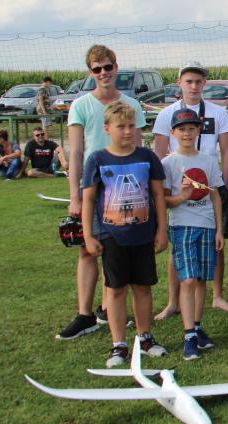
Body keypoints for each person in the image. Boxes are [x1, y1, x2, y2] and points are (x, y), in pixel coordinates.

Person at [59, 44, 148, 341]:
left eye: (108, 67)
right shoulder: (81, 105)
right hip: (94, 186)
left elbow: (138, 150)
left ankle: (109, 308)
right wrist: (75, 195)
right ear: (90, 73)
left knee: (119, 249)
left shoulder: (131, 105)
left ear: (116, 67)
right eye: (97, 69)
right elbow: (76, 153)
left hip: (124, 187)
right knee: (88, 248)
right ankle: (85, 315)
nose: (104, 73)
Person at [80, 100, 168, 367]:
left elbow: (157, 195)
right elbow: (88, 200)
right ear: (107, 128)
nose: (128, 131)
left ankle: (145, 338)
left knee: (143, 288)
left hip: (142, 235)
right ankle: (118, 345)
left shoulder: (147, 157)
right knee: (115, 290)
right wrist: (88, 235)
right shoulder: (97, 159)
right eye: (121, 127)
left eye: (131, 126)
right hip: (112, 236)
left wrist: (161, 229)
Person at [152, 61, 228, 319]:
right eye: (188, 81)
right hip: (179, 189)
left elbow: (225, 151)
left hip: (211, 183)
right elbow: (159, 152)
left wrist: (220, 184)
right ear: (180, 83)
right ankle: (173, 301)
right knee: (177, 245)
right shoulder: (166, 114)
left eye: (198, 81)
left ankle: (218, 296)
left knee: (216, 243)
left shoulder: (217, 112)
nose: (193, 86)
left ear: (204, 84)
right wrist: (162, 188)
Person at [160, 108, 224, 360]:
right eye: (182, 129)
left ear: (199, 131)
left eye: (192, 129)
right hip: (181, 225)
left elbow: (216, 195)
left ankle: (197, 328)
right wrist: (183, 196)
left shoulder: (208, 160)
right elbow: (165, 200)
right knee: (187, 280)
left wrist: (219, 228)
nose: (187, 133)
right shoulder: (169, 163)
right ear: (173, 133)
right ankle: (188, 336)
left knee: (200, 281)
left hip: (207, 225)